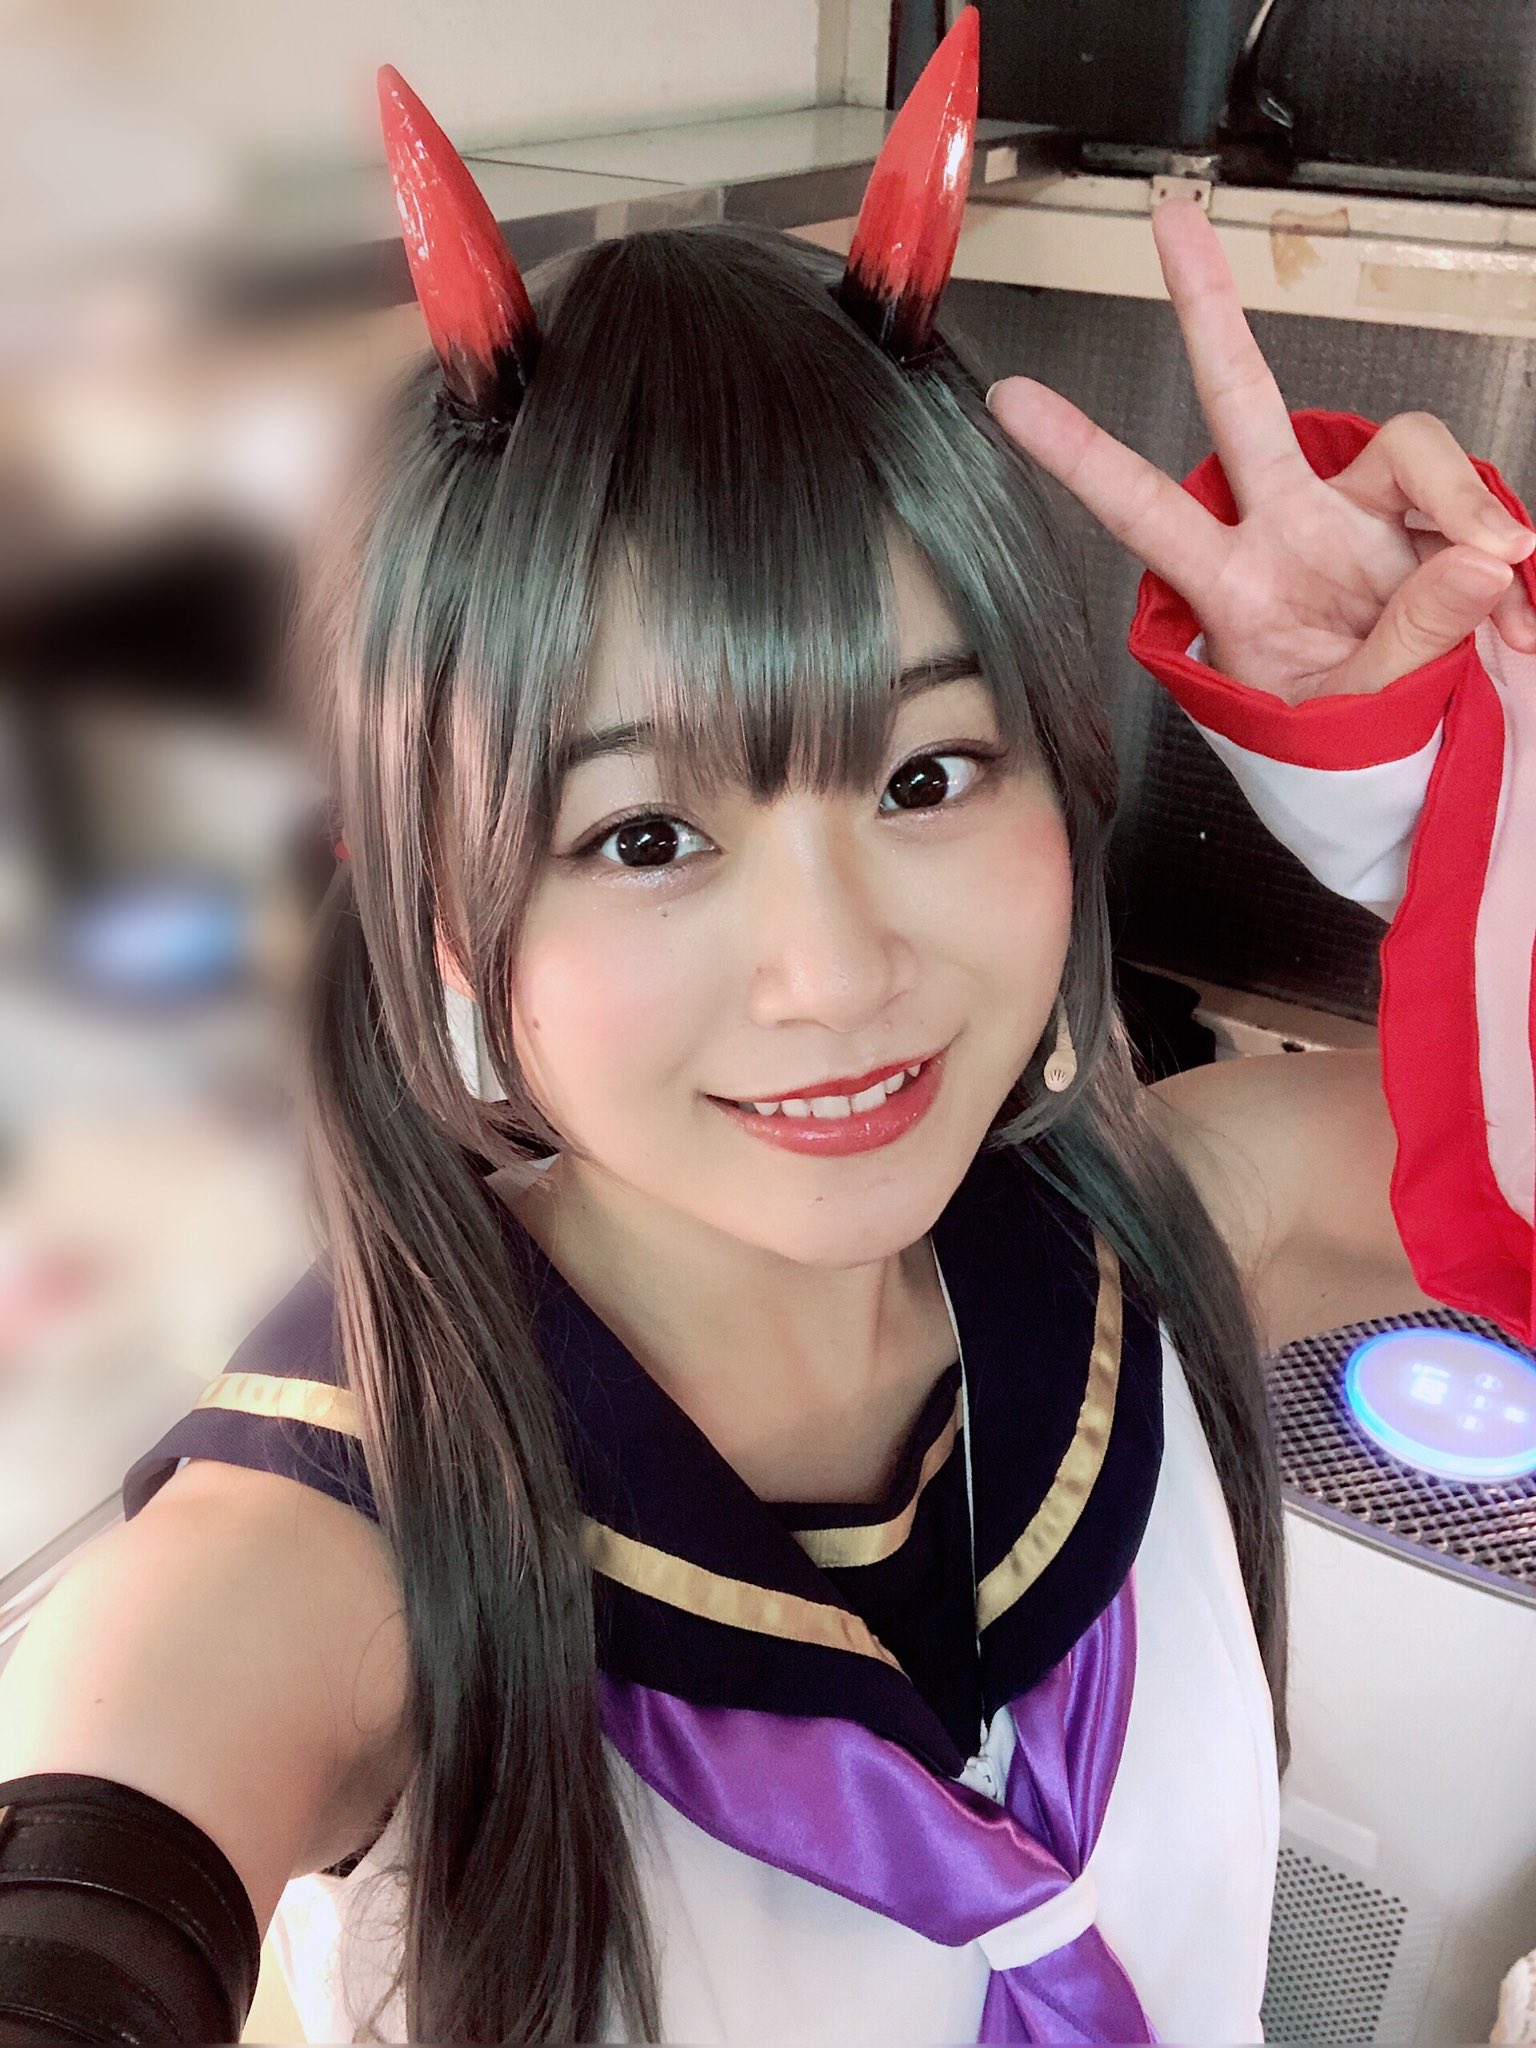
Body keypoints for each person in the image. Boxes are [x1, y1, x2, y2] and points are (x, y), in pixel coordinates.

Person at [2, 13, 1533, 2042]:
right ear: (445, 910)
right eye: (644, 835)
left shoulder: (1146, 1247)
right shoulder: (349, 1539)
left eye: (926, 777)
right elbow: (101, 1856)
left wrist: (1438, 786)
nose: (833, 971)